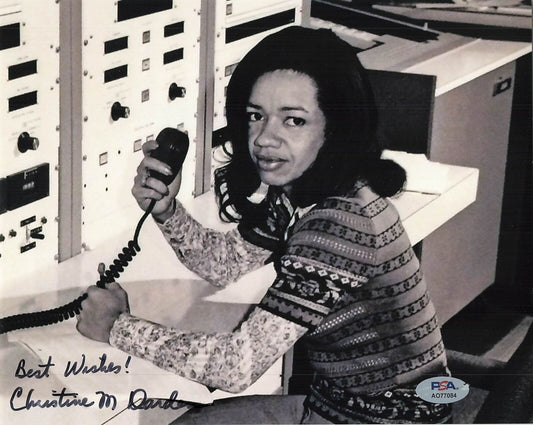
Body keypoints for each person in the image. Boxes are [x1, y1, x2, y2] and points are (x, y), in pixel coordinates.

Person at [77, 26, 452, 424]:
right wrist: (168, 210)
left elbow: (235, 367)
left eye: (294, 121)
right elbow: (226, 263)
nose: (264, 139)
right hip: (340, 407)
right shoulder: (308, 192)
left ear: (335, 127)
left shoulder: (339, 225)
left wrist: (116, 327)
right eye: (256, 116)